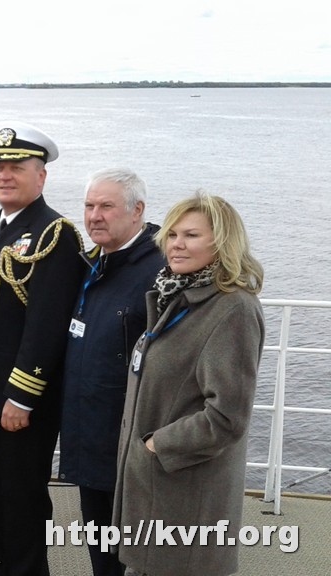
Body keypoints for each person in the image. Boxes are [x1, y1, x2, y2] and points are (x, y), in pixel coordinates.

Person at [0, 122, 83, 576]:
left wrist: (22, 396)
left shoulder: (54, 233)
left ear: (40, 176)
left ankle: (27, 569)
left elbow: (47, 325)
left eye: (17, 167)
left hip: (17, 397)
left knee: (22, 491)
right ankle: (6, 563)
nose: (4, 175)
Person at [114, 191, 264, 576]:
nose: (176, 244)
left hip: (185, 495)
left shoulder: (232, 309)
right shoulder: (176, 295)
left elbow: (226, 417)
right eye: (172, 234)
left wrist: (156, 446)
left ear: (223, 242)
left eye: (191, 235)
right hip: (155, 489)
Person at [58, 168, 163, 576]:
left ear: (137, 211)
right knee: (100, 539)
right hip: (89, 430)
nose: (94, 216)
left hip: (130, 440)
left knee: (135, 549)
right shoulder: (93, 262)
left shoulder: (159, 272)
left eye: (106, 206)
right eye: (89, 206)